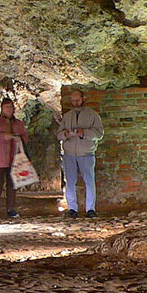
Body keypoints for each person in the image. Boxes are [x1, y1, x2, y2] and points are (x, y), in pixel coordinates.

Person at [57, 89, 104, 218]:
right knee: (70, 181)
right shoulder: (67, 116)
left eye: (77, 100)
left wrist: (84, 133)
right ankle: (72, 208)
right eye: (73, 100)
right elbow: (58, 134)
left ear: (84, 98)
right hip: (69, 153)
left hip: (86, 153)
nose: (75, 103)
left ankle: (90, 209)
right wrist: (65, 135)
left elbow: (99, 134)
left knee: (89, 181)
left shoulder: (93, 115)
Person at [0, 97, 30, 219]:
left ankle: (11, 209)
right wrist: (4, 136)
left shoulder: (18, 123)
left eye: (11, 107)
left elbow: (25, 137)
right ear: (2, 109)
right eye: (7, 107)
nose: (9, 109)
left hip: (14, 158)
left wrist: (19, 139)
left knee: (12, 183)